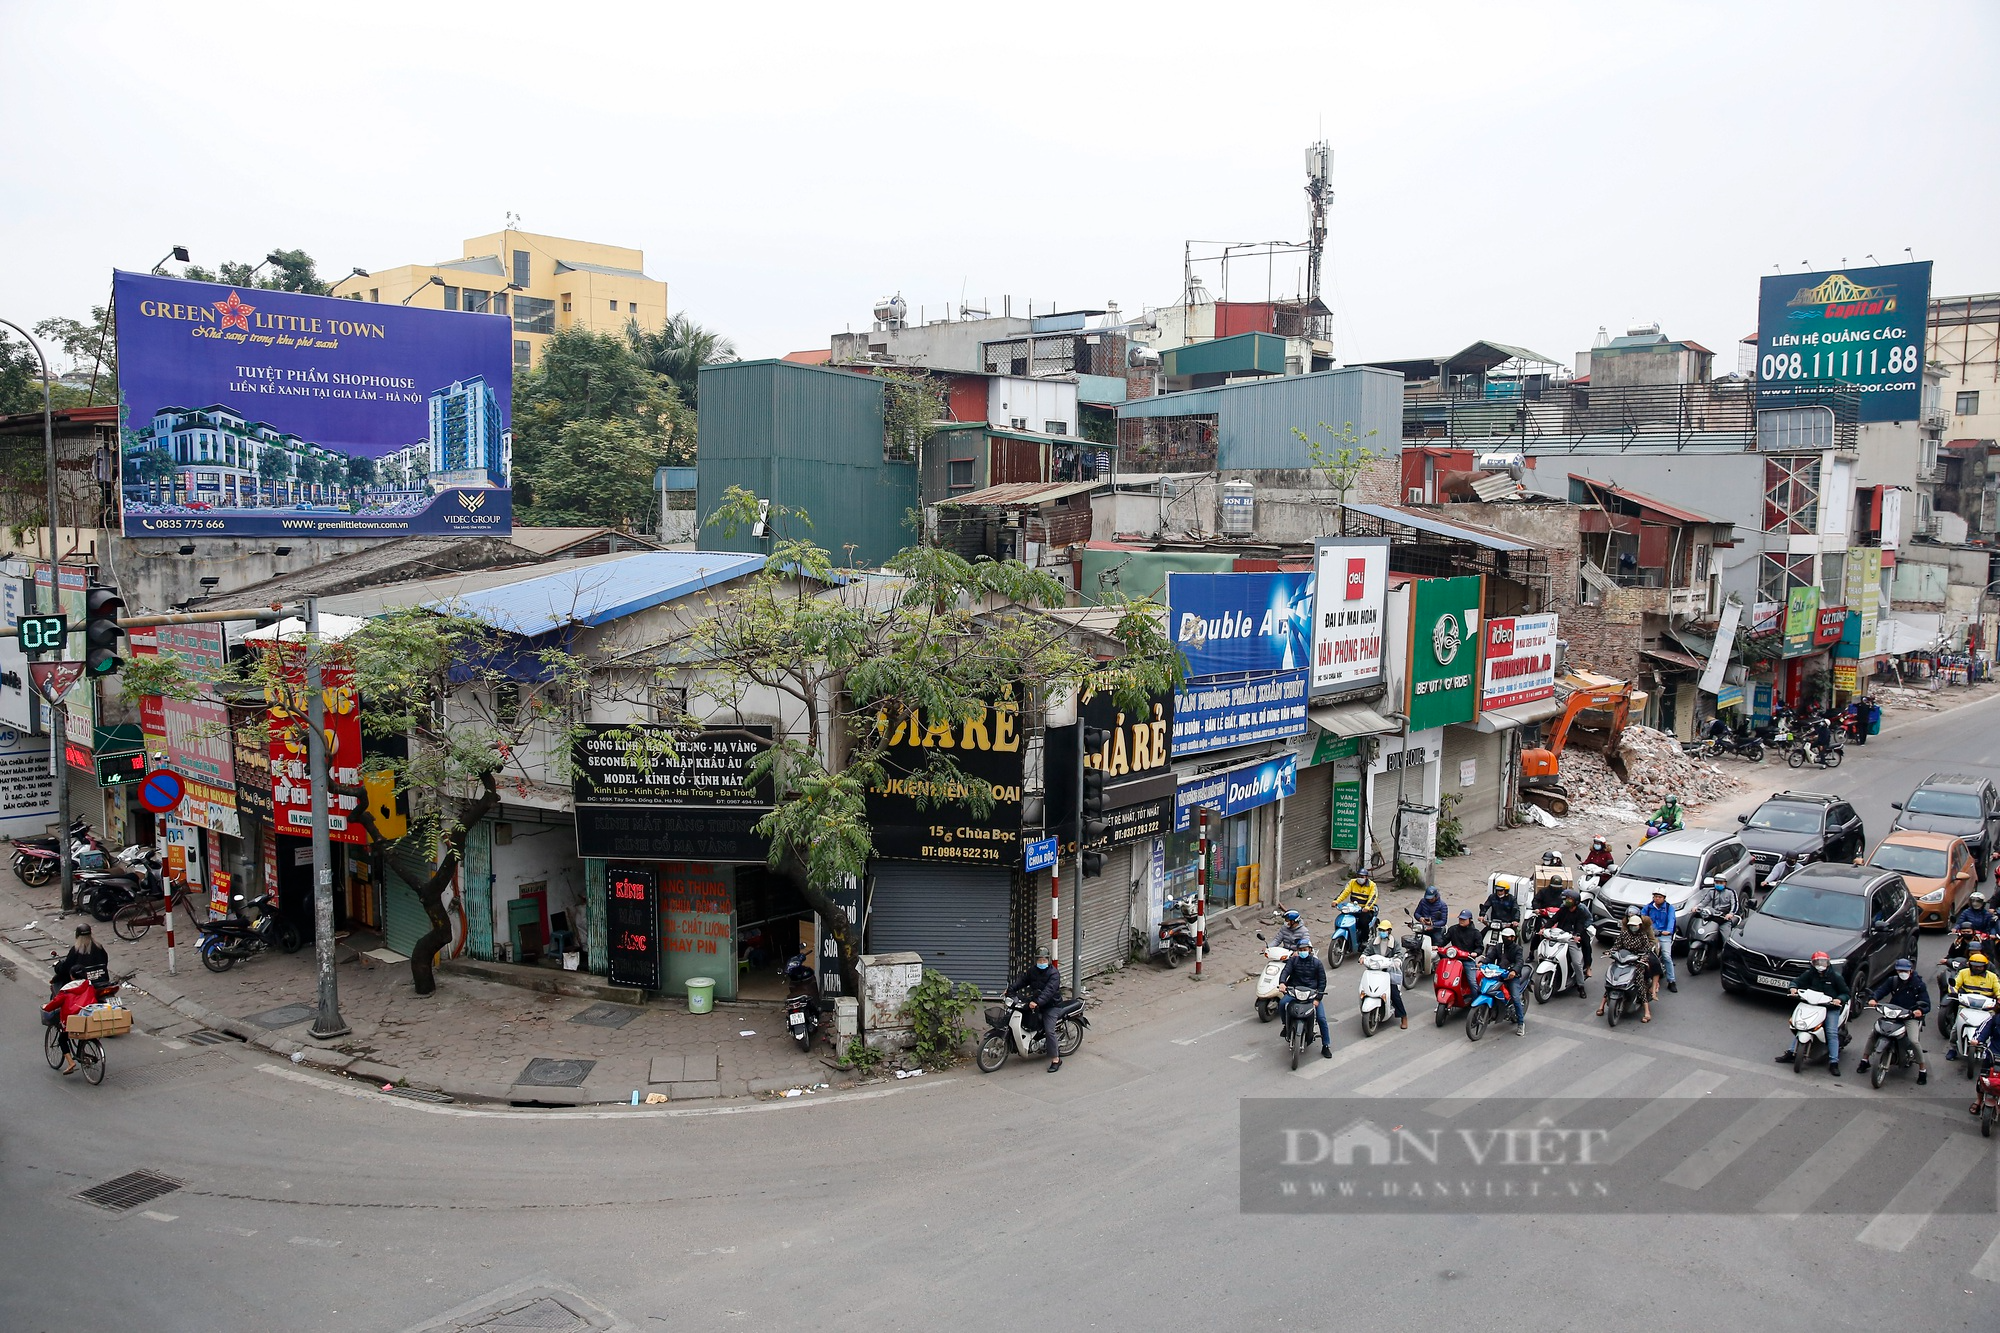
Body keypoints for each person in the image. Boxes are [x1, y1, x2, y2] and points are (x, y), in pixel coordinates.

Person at [1856, 958, 1930, 1085]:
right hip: (1893, 1012)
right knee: (1874, 1032)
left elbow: (1926, 1004)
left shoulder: (1919, 984)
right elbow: (1881, 991)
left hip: (1909, 1015)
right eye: (1900, 970)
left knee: (1913, 1040)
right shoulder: (1893, 981)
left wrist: (1920, 1011)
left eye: (1905, 970)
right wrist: (1873, 999)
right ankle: (1865, 1060)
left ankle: (1922, 1069)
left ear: (1911, 970)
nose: (1903, 973)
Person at [1779, 952, 1850, 1076]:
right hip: (1812, 1005)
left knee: (1831, 1032)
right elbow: (1797, 981)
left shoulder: (1835, 977)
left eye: (1823, 962)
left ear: (1828, 963)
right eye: (1818, 962)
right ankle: (1791, 1052)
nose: (1821, 965)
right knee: (1801, 1026)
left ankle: (1834, 1062)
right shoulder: (1810, 974)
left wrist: (1839, 999)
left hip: (1830, 1008)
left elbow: (1845, 993)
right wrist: (1793, 988)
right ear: (1813, 964)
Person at [1006, 947, 1066, 1072]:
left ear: (1048, 960)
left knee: (1049, 1031)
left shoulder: (1054, 974)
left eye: (1044, 959)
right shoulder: (1032, 971)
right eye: (1039, 959)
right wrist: (1011, 989)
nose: (1042, 962)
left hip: (1051, 1006)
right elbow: (1022, 980)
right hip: (1036, 1002)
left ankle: (1056, 1059)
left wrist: (1037, 1002)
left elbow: (1049, 991)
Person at [1278, 942, 1333, 1058]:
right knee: (1282, 1004)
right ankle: (1285, 1025)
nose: (1303, 951)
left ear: (1310, 950)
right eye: (1301, 950)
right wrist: (1282, 983)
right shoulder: (1293, 961)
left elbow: (1322, 982)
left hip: (1311, 994)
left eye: (1305, 949)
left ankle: (1326, 1045)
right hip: (1295, 991)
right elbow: (1285, 972)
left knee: (1322, 1019)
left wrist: (1318, 999)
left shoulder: (1317, 963)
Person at [1600, 913, 1657, 1022]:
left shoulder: (1643, 936)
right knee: (1611, 980)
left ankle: (1647, 1012)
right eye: (1631, 925)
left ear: (1640, 926)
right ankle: (1601, 1006)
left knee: (1639, 981)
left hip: (1636, 962)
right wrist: (1610, 952)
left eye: (1635, 925)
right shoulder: (1624, 934)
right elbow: (1616, 947)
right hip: (1622, 960)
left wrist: (1643, 958)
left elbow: (1647, 951)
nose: (1633, 927)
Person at [1362, 920, 1408, 1030]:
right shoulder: (1374, 941)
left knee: (1394, 994)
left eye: (1384, 930)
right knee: (1364, 988)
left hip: (1388, 971)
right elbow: (1367, 951)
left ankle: (1403, 1016)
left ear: (1389, 931)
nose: (1382, 932)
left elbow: (1399, 954)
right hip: (1374, 970)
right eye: (1380, 930)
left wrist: (1397, 961)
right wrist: (1363, 957)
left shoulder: (1394, 942)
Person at [1481, 926, 1528, 1036]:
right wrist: (1483, 962)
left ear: (1512, 938)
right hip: (1499, 974)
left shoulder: (1517, 949)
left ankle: (1521, 1024)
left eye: (1507, 937)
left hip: (1512, 977)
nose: (1505, 939)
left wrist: (1514, 971)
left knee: (1516, 998)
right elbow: (1490, 957)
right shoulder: (1498, 947)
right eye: (1504, 937)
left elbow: (1520, 962)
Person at [1551, 888, 1592, 990]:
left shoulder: (1581, 910)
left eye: (1569, 898)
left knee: (1579, 959)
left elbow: (1581, 923)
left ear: (1575, 901)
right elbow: (1554, 919)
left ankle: (1582, 982)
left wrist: (1577, 934)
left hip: (1576, 935)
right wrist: (1544, 929)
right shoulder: (1563, 908)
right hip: (1562, 934)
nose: (1566, 900)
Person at [1642, 889, 1679, 996]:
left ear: (1664, 898)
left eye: (1659, 897)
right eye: (1655, 896)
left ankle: (1671, 981)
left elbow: (1671, 920)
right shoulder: (1648, 907)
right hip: (1651, 935)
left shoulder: (1669, 908)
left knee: (1667, 956)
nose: (1657, 898)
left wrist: (1668, 931)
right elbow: (1642, 918)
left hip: (1664, 936)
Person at [52, 922, 110, 989]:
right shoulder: (99, 947)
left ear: (77, 935)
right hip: (103, 980)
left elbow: (66, 967)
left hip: (83, 986)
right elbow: (105, 961)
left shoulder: (75, 950)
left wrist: (58, 966)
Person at [1332, 875, 1379, 945]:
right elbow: (1345, 892)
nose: (1360, 878)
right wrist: (1336, 901)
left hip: (1365, 910)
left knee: (1363, 922)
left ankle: (1364, 940)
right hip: (1353, 908)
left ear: (1366, 877)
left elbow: (1373, 897)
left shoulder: (1372, 885)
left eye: (1362, 877)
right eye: (1359, 876)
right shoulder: (1352, 882)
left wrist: (1367, 907)